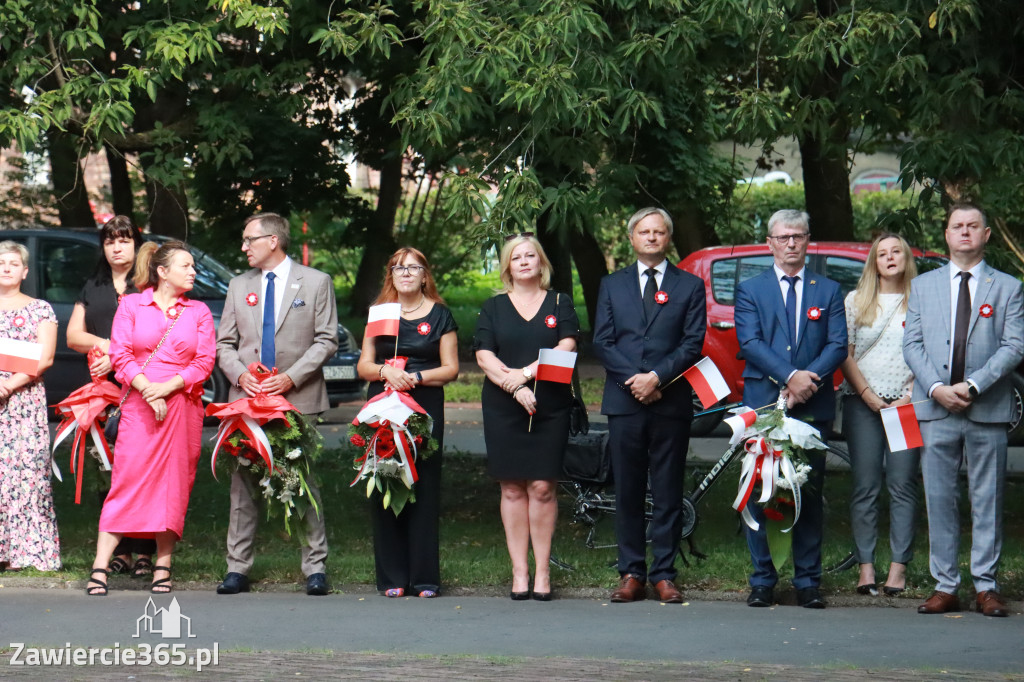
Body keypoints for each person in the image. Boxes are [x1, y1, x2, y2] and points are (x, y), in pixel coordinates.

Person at [903, 203, 1024, 617]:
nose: (966, 232)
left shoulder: (1009, 286)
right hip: (936, 409)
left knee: (987, 498)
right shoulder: (923, 286)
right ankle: (945, 585)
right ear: (947, 234)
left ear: (986, 234)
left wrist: (972, 385)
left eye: (974, 226)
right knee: (939, 498)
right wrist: (937, 389)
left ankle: (986, 586)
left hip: (986, 407)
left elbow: (1015, 346)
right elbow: (912, 345)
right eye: (958, 226)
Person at [216, 212, 339, 597]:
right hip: (248, 402)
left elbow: (326, 340)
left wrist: (290, 377)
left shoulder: (317, 282)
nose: (243, 246)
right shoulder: (238, 285)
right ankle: (237, 568)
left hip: (296, 397)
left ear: (273, 240)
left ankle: (315, 568)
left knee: (299, 481)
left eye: (249, 239)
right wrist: (240, 375)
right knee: (243, 486)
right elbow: (224, 345)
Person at [86, 241, 216, 595]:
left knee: (173, 487)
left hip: (182, 406)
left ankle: (163, 565)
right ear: (162, 271)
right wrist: (147, 389)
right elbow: (121, 353)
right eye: (186, 266)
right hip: (139, 406)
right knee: (126, 481)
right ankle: (100, 567)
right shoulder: (131, 304)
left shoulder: (199, 311)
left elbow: (204, 362)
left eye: (193, 267)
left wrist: (169, 387)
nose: (193, 272)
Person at [734, 209, 847, 609]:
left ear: (807, 239)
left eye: (798, 236)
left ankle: (808, 582)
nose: (791, 244)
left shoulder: (828, 290)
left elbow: (837, 345)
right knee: (761, 491)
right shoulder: (751, 289)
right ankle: (762, 579)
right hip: (764, 402)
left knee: (808, 492)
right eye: (782, 237)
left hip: (813, 406)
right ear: (770, 243)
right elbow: (749, 342)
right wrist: (789, 377)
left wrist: (805, 381)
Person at [592, 208, 706, 604]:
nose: (652, 237)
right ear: (632, 238)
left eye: (659, 232)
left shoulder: (689, 286)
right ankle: (631, 572)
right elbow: (603, 341)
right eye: (645, 231)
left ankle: (664, 573)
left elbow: (692, 344)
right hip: (624, 403)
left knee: (668, 489)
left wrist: (656, 378)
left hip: (669, 401)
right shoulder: (612, 284)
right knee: (627, 489)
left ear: (668, 238)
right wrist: (635, 381)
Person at [474, 233, 579, 601]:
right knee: (512, 487)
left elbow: (567, 344)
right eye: (515, 257)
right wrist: (514, 386)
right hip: (504, 406)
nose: (523, 261)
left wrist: (528, 374)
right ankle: (520, 571)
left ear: (541, 263)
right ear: (507, 266)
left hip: (550, 402)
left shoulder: (560, 302)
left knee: (542, 487)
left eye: (530, 256)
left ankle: (543, 571)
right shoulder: (493, 307)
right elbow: (484, 355)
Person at [356, 248, 459, 598]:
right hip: (383, 400)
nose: (405, 273)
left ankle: (425, 578)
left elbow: (450, 369)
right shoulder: (380, 314)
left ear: (424, 275)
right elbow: (364, 365)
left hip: (423, 401)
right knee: (386, 478)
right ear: (391, 275)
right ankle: (392, 577)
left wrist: (413, 376)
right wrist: (387, 371)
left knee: (424, 486)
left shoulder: (441, 315)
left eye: (412, 267)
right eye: (397, 267)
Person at [66, 216, 157, 578]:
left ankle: (145, 552)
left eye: (124, 240)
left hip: (146, 387)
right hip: (106, 392)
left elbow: (162, 335)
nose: (117, 247)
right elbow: (74, 335)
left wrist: (117, 355)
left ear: (137, 244)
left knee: (144, 472)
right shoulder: (95, 285)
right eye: (109, 241)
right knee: (110, 471)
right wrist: (106, 345)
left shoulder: (151, 284)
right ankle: (118, 550)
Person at [839, 233, 919, 596]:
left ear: (906, 258)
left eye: (896, 252)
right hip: (863, 405)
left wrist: (911, 394)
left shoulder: (921, 300)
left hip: (906, 405)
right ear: (873, 262)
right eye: (881, 253)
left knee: (902, 485)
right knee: (865, 486)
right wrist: (868, 395)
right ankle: (866, 567)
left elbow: (932, 351)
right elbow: (846, 354)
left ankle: (898, 569)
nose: (889, 258)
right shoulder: (856, 301)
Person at [0, 241, 60, 572]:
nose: (6, 267)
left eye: (13, 263)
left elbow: (45, 356)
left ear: (24, 271)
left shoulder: (40, 309)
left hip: (23, 401)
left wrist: (9, 384)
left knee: (26, 473)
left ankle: (26, 552)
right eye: (0, 262)